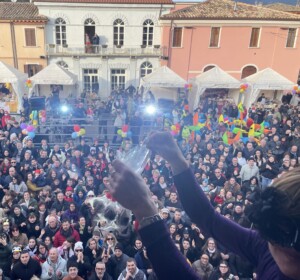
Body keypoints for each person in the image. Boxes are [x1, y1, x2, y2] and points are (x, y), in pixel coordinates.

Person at [108, 131, 300, 280]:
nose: (288, 247)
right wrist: (178, 163)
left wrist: (146, 211)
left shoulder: (271, 247)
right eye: (276, 232)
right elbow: (208, 219)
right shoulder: (266, 247)